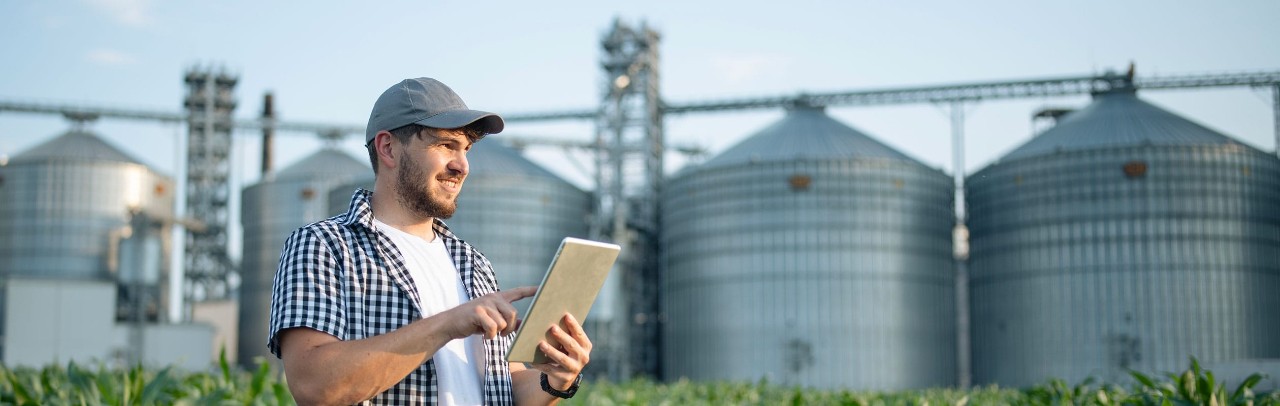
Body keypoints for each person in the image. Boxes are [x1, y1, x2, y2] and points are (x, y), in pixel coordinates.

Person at [268, 77, 592, 405]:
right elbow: (313, 386)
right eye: (446, 145)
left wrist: (553, 380)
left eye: (466, 149)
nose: (462, 165)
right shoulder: (324, 246)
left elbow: (503, 387)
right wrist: (448, 323)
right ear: (388, 147)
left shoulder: (473, 263)